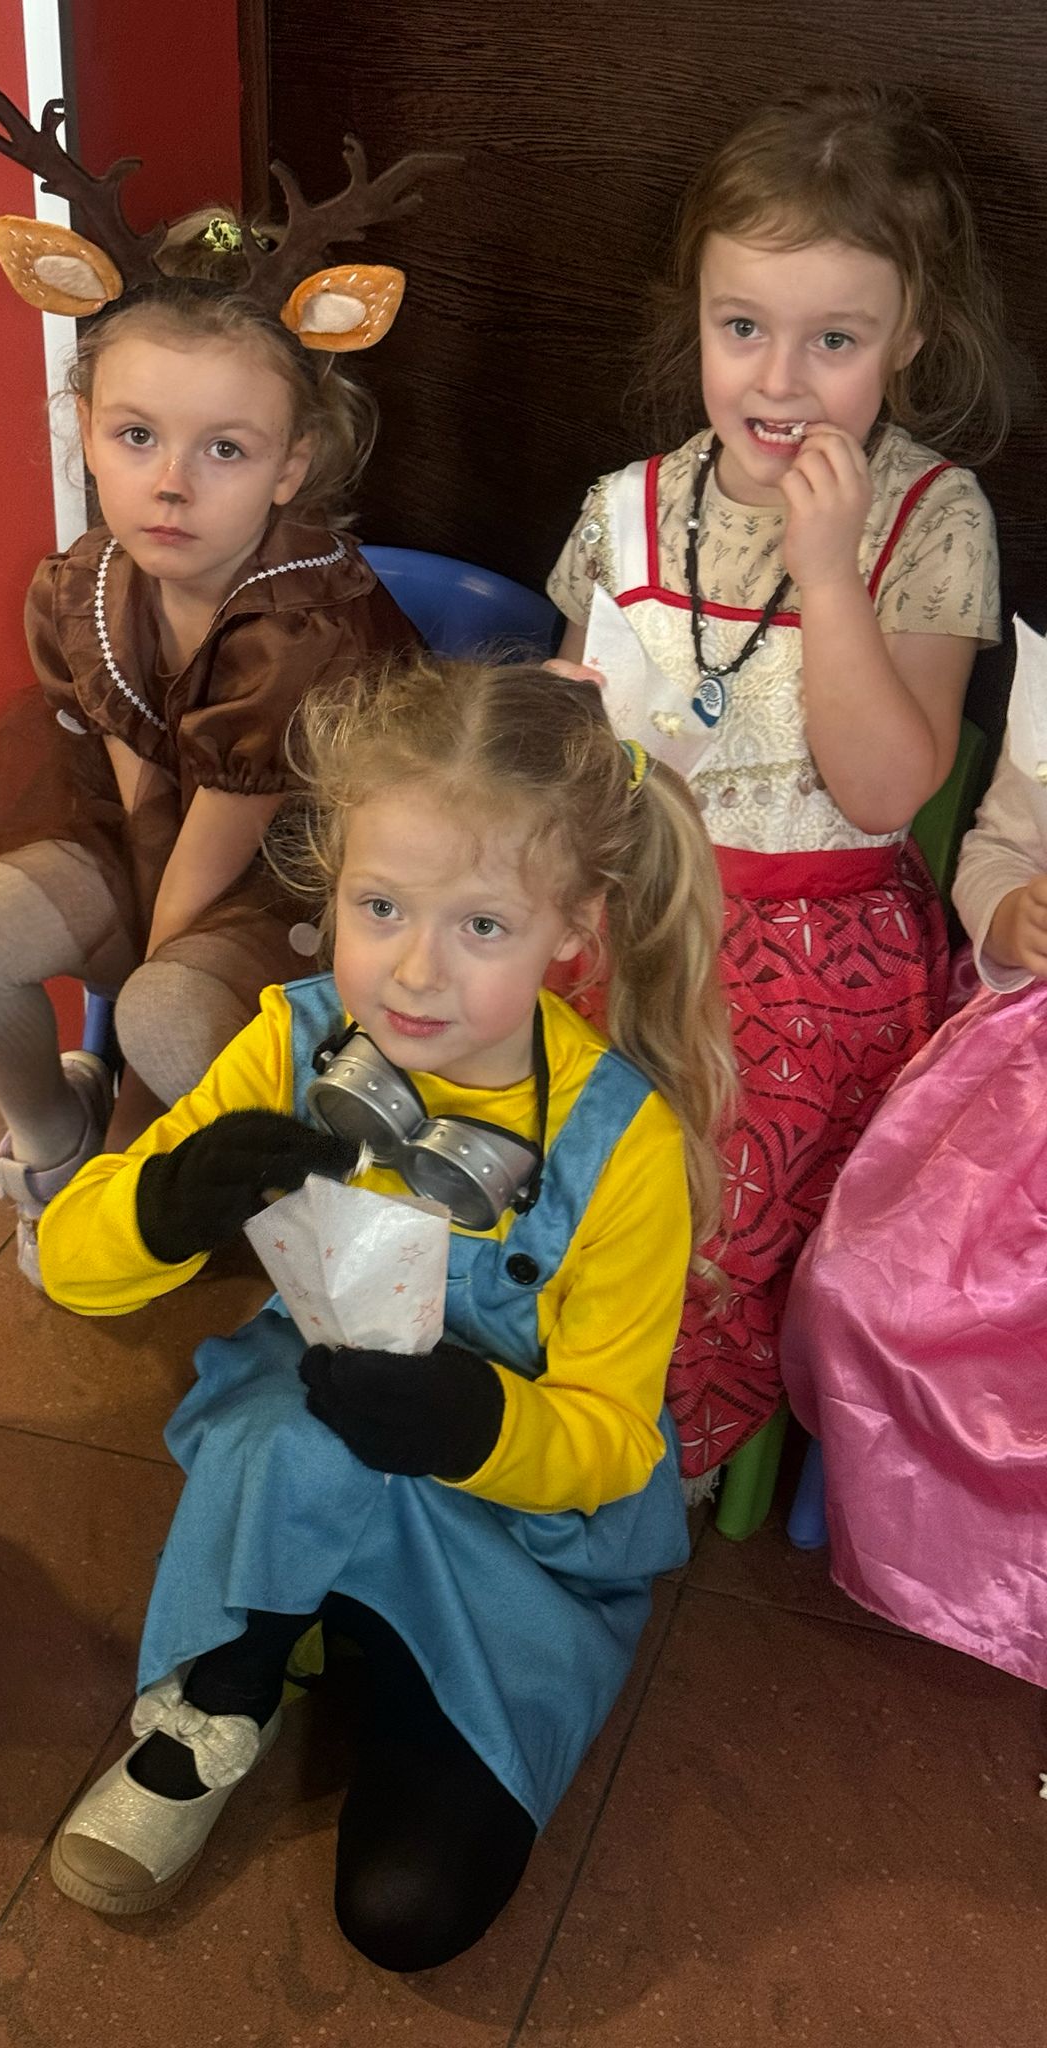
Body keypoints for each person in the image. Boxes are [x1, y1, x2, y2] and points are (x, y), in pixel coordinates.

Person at [34, 653, 735, 1969]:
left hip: (506, 1530)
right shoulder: (289, 1041)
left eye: (482, 927)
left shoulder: (621, 1145)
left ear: (573, 928)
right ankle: (227, 1688)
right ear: (334, 887)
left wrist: (476, 1425)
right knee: (292, 1429)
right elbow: (69, 1268)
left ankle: (362, 1629)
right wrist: (162, 1206)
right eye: (380, 907)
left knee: (404, 1913)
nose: (414, 972)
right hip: (307, 1451)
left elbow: (606, 1442)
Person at [546, 83, 1008, 1484]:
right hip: (623, 910)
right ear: (695, 313)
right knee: (505, 1116)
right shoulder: (624, 505)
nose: (779, 382)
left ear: (911, 338)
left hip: (821, 950)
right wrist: (560, 735)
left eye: (836, 341)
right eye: (741, 327)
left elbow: (884, 792)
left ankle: (648, 1452)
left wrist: (827, 573)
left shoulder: (931, 517)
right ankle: (523, 1392)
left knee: (700, 1190)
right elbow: (567, 756)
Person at [0, 79, 429, 1276]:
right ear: (85, 425)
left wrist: (135, 1085)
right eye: (137, 435)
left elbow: (201, 873)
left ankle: (258, 1203)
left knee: (166, 1011)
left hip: (307, 875)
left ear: (290, 464)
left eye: (225, 449)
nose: (171, 483)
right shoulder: (88, 580)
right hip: (159, 836)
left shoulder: (301, 623)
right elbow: (136, 784)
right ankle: (53, 1137)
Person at [781, 698, 1047, 1685]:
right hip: (1027, 1085)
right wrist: (1010, 914)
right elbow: (1000, 847)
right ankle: (937, 1552)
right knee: (866, 1290)